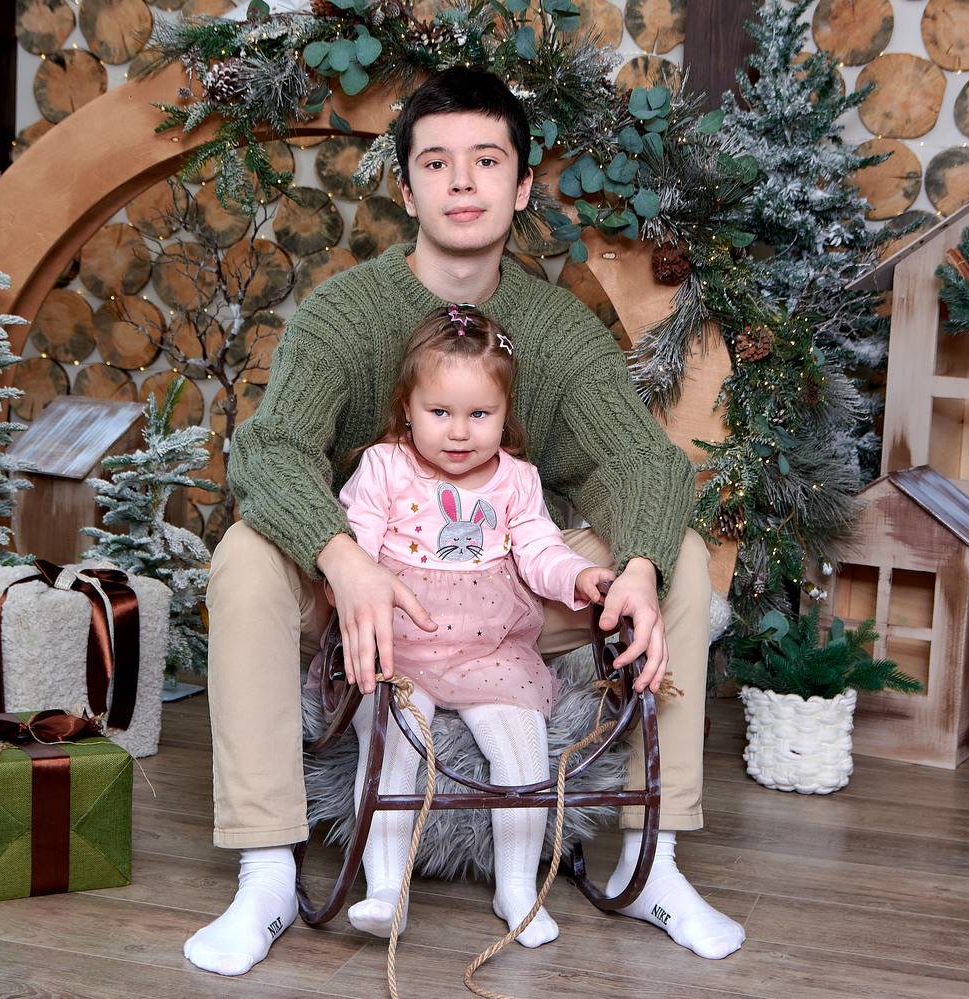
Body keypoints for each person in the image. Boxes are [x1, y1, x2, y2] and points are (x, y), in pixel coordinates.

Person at [184, 66, 746, 978]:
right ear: (407, 190)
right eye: (436, 162)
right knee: (247, 555)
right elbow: (269, 449)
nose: (461, 181)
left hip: (505, 589)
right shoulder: (343, 315)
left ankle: (655, 861)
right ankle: (266, 869)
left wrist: (637, 568)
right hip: (368, 593)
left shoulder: (555, 329)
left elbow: (641, 462)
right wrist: (342, 559)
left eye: (486, 160)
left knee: (672, 551)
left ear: (520, 186)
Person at [324, 304, 613, 948]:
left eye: (480, 414)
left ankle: (518, 888)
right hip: (401, 638)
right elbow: (355, 547)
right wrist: (351, 586)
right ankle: (386, 889)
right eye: (440, 412)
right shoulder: (384, 468)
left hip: (491, 647)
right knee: (393, 744)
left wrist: (578, 577)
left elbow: (539, 549)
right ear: (407, 407)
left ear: (506, 415)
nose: (459, 432)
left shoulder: (517, 481)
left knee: (521, 750)